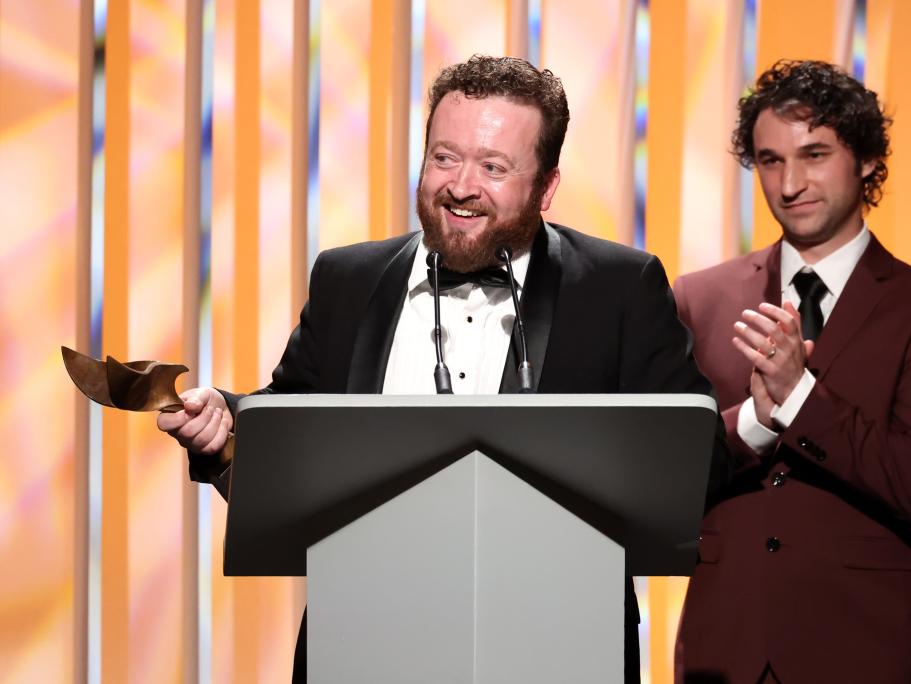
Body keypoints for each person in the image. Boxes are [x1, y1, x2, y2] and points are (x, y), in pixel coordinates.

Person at [158, 55, 724, 684]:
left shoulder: (619, 287)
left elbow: (693, 461)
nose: (460, 185)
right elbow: (294, 431)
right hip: (363, 645)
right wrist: (225, 430)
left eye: (494, 167)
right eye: (444, 157)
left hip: (558, 649)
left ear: (546, 186)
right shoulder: (347, 278)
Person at [673, 59, 911, 683]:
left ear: (864, 161)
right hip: (727, 647)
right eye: (770, 160)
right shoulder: (700, 299)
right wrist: (753, 420)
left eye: (814, 154)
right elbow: (665, 472)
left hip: (867, 647)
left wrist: (800, 398)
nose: (790, 181)